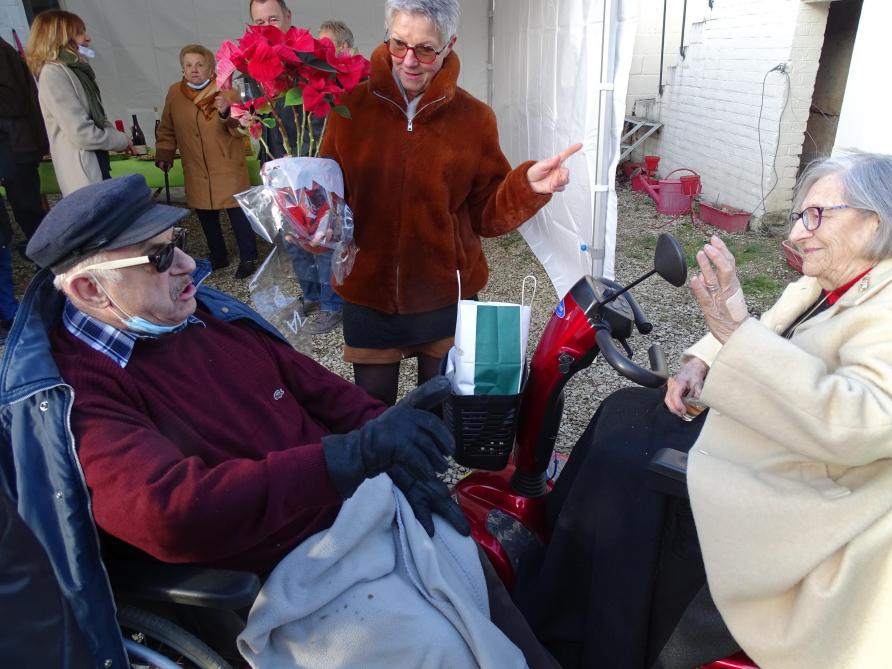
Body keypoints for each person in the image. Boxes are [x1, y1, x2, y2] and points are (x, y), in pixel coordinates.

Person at [4, 175, 562, 665]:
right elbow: (169, 513)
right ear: (88, 289)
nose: (187, 264)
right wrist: (346, 458)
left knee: (474, 565)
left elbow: (323, 393)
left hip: (349, 509)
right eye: (157, 258)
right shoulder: (81, 394)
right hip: (281, 568)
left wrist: (391, 443)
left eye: (176, 244)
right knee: (436, 644)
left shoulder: (204, 319)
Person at [512, 151, 892, 669]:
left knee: (626, 462)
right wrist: (698, 359)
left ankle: (590, 636)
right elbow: (767, 326)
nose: (799, 233)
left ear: (874, 223)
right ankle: (560, 562)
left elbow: (861, 424)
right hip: (778, 436)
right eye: (800, 216)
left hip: (806, 491)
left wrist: (735, 334)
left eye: (816, 216)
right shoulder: (827, 283)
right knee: (621, 409)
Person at [320, 0, 582, 405]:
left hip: (444, 295)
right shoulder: (347, 110)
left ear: (449, 45)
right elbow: (328, 200)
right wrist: (306, 215)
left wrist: (526, 186)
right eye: (398, 44)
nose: (409, 61)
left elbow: (486, 214)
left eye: (425, 49)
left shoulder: (475, 119)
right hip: (367, 293)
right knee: (373, 415)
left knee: (440, 411)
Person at [155, 44, 259, 279]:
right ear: (182, 69)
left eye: (199, 64)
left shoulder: (226, 91)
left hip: (226, 163)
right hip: (196, 165)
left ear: (211, 68)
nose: (194, 70)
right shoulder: (174, 93)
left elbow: (243, 126)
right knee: (205, 213)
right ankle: (218, 255)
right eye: (188, 65)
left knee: (236, 212)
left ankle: (248, 256)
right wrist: (165, 151)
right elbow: (167, 127)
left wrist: (225, 113)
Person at [25, 10, 130, 196]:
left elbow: (94, 115)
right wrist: (119, 140)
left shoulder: (76, 71)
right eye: (80, 32)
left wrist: (115, 134)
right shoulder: (53, 74)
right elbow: (81, 133)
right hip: (83, 171)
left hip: (96, 162)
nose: (88, 38)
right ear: (60, 38)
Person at [0, 36, 48, 244]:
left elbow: (14, 101)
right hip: (13, 144)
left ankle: (48, 261)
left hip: (17, 146)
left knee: (28, 210)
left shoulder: (2, 53)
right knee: (25, 209)